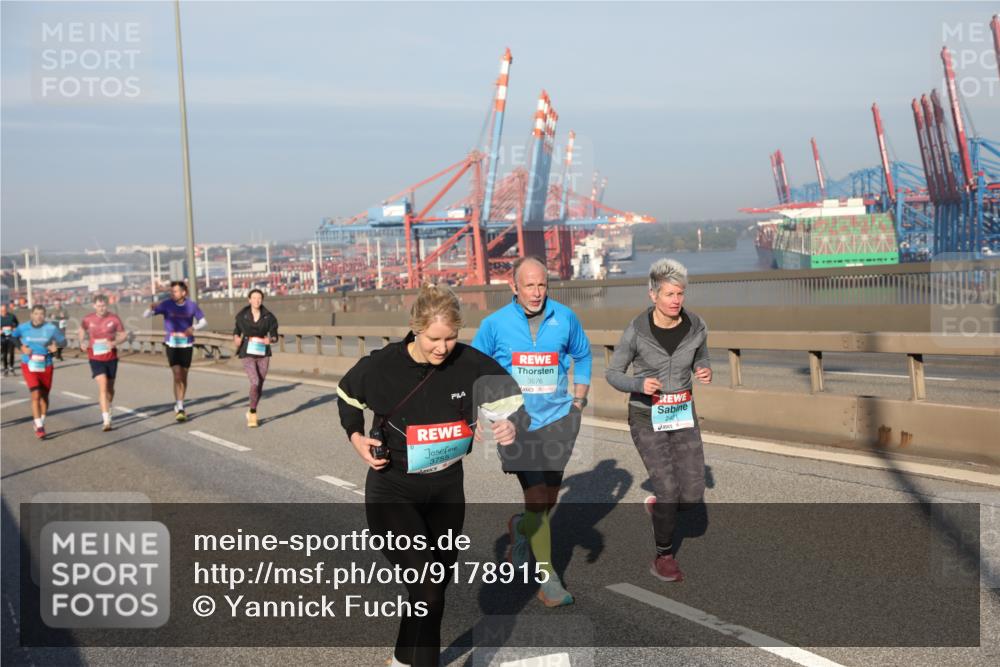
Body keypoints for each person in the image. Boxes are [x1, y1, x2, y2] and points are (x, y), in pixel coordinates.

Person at [337, 284, 529, 667]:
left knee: (431, 588)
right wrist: (356, 437)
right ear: (415, 329)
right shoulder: (384, 366)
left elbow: (511, 403)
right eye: (434, 339)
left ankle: (402, 660)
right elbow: (347, 396)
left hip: (445, 493)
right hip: (393, 491)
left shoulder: (470, 364)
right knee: (427, 588)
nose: (443, 348)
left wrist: (509, 426)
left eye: (451, 338)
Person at [471, 255, 591, 607]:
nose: (536, 292)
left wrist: (579, 400)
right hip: (515, 423)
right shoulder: (494, 324)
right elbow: (474, 368)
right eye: (529, 286)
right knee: (537, 493)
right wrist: (480, 413)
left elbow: (582, 356)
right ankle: (548, 578)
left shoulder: (565, 317)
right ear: (514, 287)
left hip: (558, 420)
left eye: (542, 285)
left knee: (548, 497)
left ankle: (521, 528)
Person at [605, 259, 712, 582]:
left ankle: (659, 507)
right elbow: (612, 373)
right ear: (653, 295)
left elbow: (702, 354)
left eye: (680, 293)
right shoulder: (636, 331)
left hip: (682, 414)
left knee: (691, 497)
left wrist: (703, 368)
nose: (676, 300)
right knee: (668, 489)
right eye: (668, 294)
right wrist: (639, 384)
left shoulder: (696, 325)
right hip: (645, 416)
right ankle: (663, 556)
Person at [143, 281, 207, 422]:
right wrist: (150, 308)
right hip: (171, 343)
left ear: (184, 293)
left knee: (183, 376)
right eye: (172, 291)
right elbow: (146, 316)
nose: (173, 294)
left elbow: (203, 321)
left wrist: (193, 328)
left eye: (176, 291)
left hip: (187, 345)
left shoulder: (191, 305)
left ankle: (179, 402)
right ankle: (180, 407)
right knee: (177, 374)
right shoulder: (166, 304)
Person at [12, 305, 66, 439]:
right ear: (31, 315)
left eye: (42, 314)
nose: (39, 316)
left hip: (46, 365)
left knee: (44, 398)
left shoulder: (51, 328)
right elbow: (13, 337)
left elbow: (63, 341)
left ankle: (40, 422)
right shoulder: (23, 327)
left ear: (45, 315)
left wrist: (56, 348)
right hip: (29, 364)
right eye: (36, 314)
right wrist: (21, 348)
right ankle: (40, 427)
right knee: (35, 394)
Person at [78, 294, 128, 431]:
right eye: (99, 306)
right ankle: (106, 420)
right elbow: (82, 329)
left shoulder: (114, 318)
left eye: (103, 306)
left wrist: (115, 342)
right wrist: (82, 341)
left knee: (110, 390)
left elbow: (123, 335)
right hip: (95, 357)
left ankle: (108, 405)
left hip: (111, 357)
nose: (101, 308)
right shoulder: (88, 319)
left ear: (107, 305)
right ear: (94, 306)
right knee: (103, 385)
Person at [232, 289, 279, 428]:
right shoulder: (242, 315)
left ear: (262, 300)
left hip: (263, 353)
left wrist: (270, 339)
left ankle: (252, 407)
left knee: (260, 385)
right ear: (249, 300)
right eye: (254, 298)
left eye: (259, 298)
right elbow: (236, 330)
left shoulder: (269, 317)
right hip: (247, 351)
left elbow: (275, 334)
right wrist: (236, 337)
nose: (257, 300)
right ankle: (253, 413)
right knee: (255, 381)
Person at [1, 304, 19, 376]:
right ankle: (5, 368)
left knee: (11, 353)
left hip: (11, 336)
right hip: (2, 337)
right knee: (4, 354)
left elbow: (17, 324)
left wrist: (14, 328)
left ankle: (11, 367)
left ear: (7, 310)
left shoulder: (12, 316)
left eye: (4, 310)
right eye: (2, 311)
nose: (3, 312)